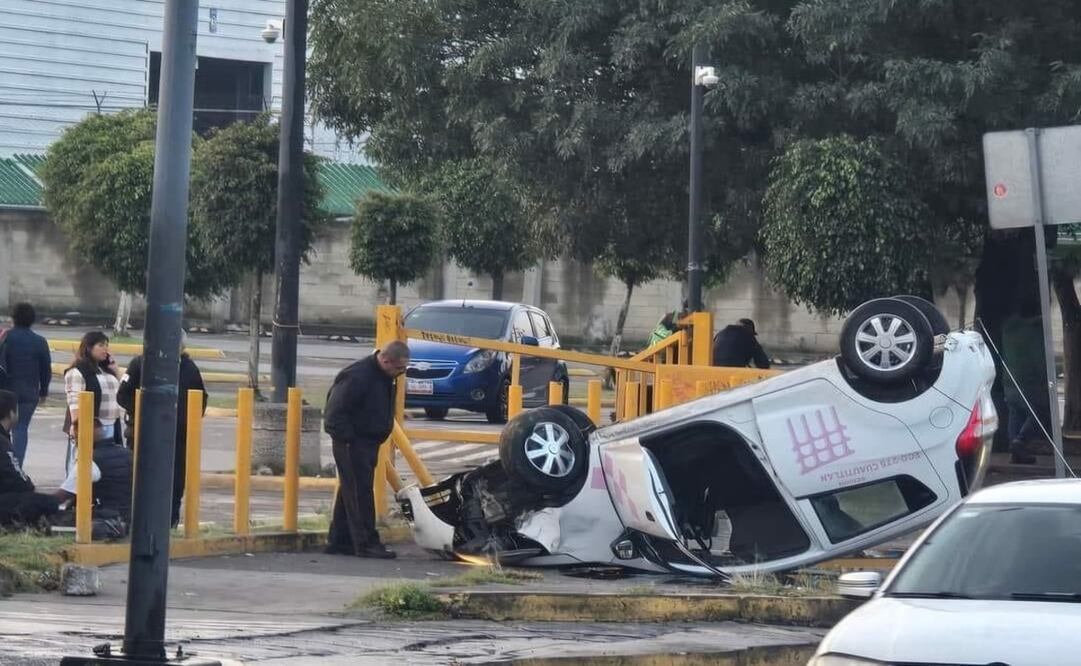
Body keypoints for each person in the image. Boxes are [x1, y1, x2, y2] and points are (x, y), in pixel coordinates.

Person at [324, 340, 410, 559]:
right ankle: (366, 543)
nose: (401, 373)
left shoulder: (384, 376)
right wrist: (349, 439)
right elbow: (335, 413)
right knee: (360, 493)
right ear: (385, 359)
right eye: (399, 368)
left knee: (350, 491)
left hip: (368, 441)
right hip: (353, 442)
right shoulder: (357, 376)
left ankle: (340, 540)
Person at [117, 331, 208, 527]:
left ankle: (170, 521)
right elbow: (123, 395)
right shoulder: (140, 364)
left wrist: (185, 420)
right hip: (144, 435)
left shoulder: (189, 369)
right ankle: (138, 521)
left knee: (175, 482)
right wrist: (146, 413)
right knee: (140, 479)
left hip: (177, 437)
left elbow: (201, 399)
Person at [62, 331, 132, 523]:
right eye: (100, 345)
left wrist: (115, 370)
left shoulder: (106, 370)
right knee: (81, 474)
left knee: (107, 475)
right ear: (88, 347)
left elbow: (123, 390)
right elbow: (75, 403)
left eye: (106, 345)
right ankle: (76, 514)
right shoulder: (77, 372)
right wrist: (80, 430)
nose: (105, 349)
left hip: (111, 427)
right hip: (92, 428)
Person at [0, 303, 52, 466]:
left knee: (3, 430)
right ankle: (17, 467)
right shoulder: (40, 341)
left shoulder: (6, 337)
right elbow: (46, 369)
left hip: (5, 393)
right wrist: (43, 392)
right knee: (21, 429)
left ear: (13, 318)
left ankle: (4, 466)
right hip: (30, 393)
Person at [0, 390, 60, 527]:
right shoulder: (2, 443)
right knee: (48, 503)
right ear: (11, 413)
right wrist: (30, 488)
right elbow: (16, 478)